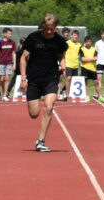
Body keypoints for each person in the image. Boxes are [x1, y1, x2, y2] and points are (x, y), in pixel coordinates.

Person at [18, 15, 68, 152]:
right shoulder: (33, 38)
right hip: (34, 79)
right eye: (47, 29)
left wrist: (63, 66)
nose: (49, 32)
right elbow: (23, 58)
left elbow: (61, 56)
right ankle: (36, 103)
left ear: (55, 28)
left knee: (49, 107)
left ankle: (40, 141)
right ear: (43, 27)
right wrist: (23, 79)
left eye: (52, 29)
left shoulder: (59, 41)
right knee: (34, 114)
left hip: (51, 78)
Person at [0, 27, 17, 101]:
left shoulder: (12, 42)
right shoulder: (0, 42)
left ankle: (5, 94)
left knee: (7, 78)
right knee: (2, 79)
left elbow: (13, 54)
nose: (10, 35)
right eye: (9, 34)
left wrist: (14, 64)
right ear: (5, 34)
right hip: (1, 63)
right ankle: (3, 92)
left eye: (11, 34)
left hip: (9, 63)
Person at [60, 29, 82, 100]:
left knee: (73, 80)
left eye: (77, 36)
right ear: (71, 36)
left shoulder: (79, 45)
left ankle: (65, 91)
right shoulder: (67, 43)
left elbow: (81, 54)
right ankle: (67, 95)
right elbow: (62, 53)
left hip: (75, 65)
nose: (75, 37)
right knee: (68, 78)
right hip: (68, 64)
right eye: (74, 35)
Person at [80, 35, 103, 101]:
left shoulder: (94, 49)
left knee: (96, 82)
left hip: (92, 68)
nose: (88, 43)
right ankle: (87, 96)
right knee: (85, 83)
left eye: (89, 41)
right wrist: (91, 59)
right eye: (87, 42)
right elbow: (83, 59)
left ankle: (100, 96)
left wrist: (88, 59)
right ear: (85, 42)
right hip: (84, 68)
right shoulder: (82, 49)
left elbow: (96, 58)